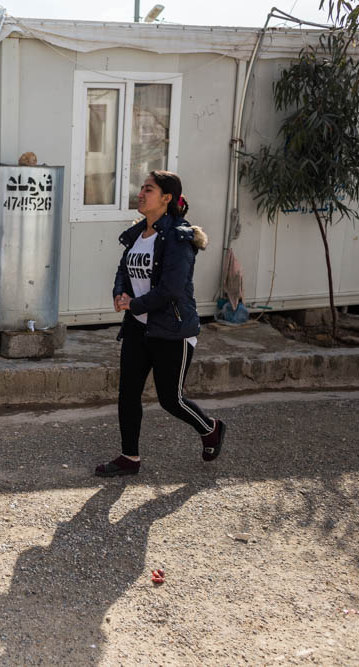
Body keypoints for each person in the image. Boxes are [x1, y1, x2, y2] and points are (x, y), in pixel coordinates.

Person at [94, 170, 227, 477]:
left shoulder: (178, 238)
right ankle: (129, 457)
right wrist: (119, 293)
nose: (140, 194)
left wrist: (134, 304)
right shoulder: (137, 234)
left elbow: (171, 289)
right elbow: (123, 270)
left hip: (172, 330)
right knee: (128, 393)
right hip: (138, 327)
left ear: (167, 198)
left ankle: (210, 428)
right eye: (141, 188)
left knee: (171, 399)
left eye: (148, 189)